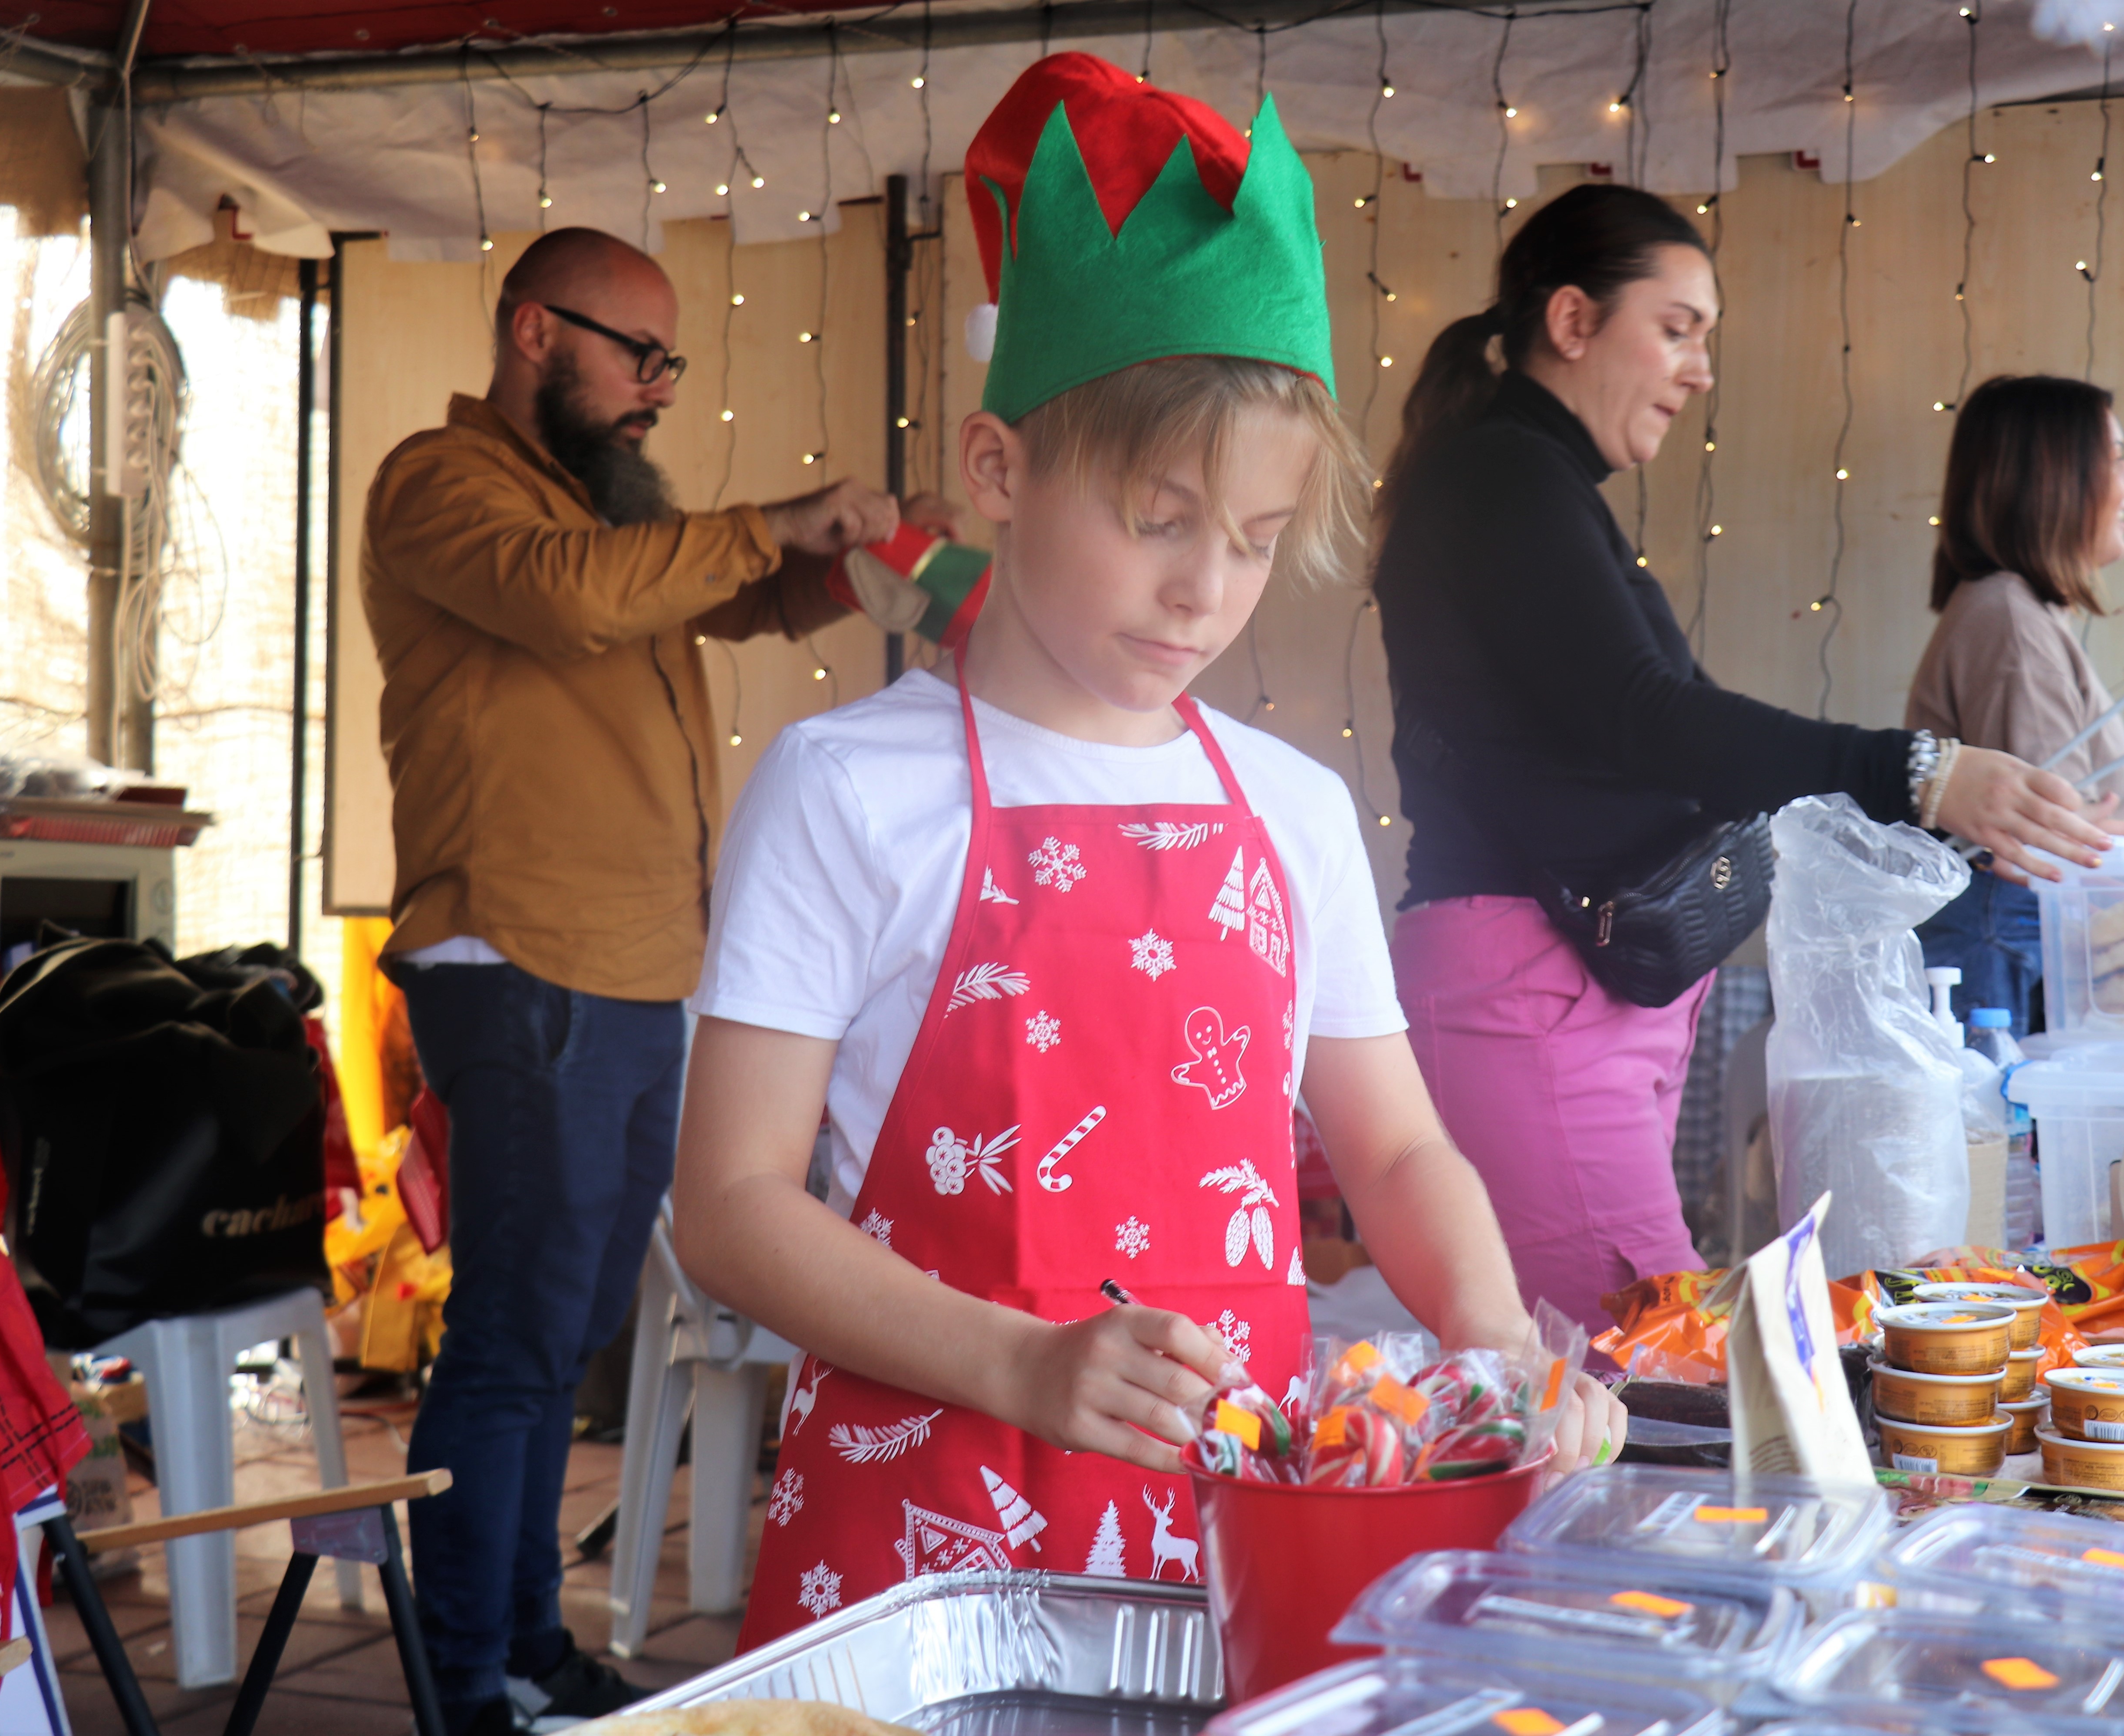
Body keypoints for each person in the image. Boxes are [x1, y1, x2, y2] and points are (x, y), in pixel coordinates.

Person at [672, 55, 1626, 1649]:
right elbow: (733, 1203)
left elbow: (1394, 1151)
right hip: (921, 1551)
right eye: (1159, 518)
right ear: (1000, 471)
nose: (1206, 592)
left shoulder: (1292, 808)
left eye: (1255, 543)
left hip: (1230, 1536)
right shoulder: (844, 789)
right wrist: (1021, 1365)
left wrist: (1491, 1344)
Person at [1370, 186, 2124, 1335]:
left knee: (1625, 1359)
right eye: (1676, 328)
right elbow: (1650, 718)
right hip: (1528, 983)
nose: (1700, 369)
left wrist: (1917, 797)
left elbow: (1681, 724)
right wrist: (1918, 770)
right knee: (1647, 1362)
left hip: (1583, 978)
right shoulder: (1504, 477)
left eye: (1705, 338)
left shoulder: (1537, 482)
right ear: (1572, 321)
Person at [360, 226, 932, 1736]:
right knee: (513, 1335)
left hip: (629, 970)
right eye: (641, 356)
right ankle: (465, 1672)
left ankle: (528, 1641)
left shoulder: (601, 513)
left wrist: (861, 552)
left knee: (571, 1329)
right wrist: (775, 519)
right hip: (520, 957)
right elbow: (575, 595)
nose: (658, 393)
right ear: (535, 333)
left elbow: (734, 601)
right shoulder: (445, 483)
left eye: (671, 363)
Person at [1907, 375, 2124, 1027]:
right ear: (2054, 477)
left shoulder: (2019, 612)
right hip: (1999, 950)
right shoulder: (2011, 621)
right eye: (2114, 456)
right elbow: (2038, 844)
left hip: (2006, 944)